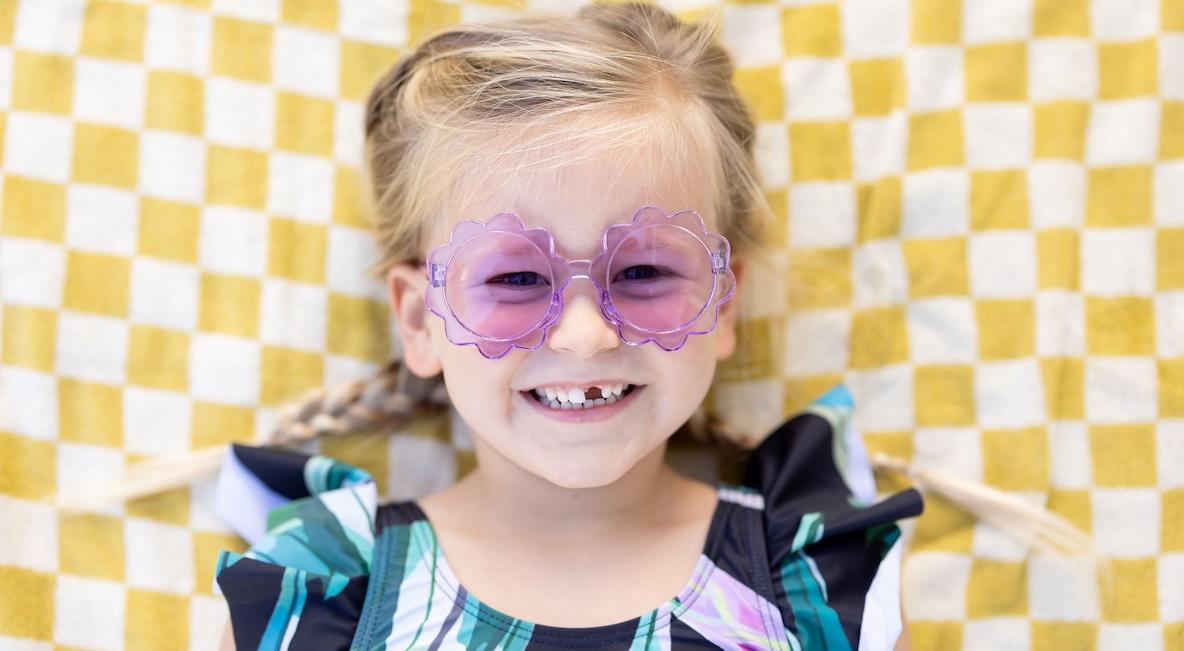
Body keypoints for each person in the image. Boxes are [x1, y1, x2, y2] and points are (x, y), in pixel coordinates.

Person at [210, 2, 924, 648]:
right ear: (421, 318)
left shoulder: (814, 583)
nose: (585, 335)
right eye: (515, 278)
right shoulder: (329, 590)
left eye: (643, 272)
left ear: (723, 304)